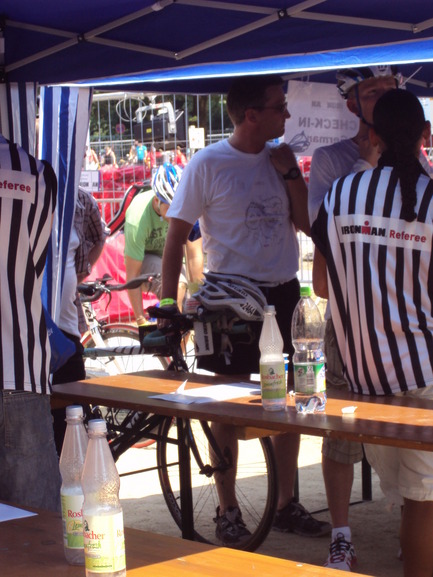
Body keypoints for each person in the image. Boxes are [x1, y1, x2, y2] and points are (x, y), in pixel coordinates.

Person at [160, 75, 331, 545]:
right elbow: (175, 237)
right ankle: (228, 508)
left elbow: (305, 224)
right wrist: (167, 305)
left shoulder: (281, 159)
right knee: (227, 408)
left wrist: (291, 174)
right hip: (229, 301)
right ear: (252, 115)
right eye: (279, 107)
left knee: (293, 399)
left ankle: (285, 503)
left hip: (283, 293)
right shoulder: (208, 163)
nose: (288, 115)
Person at [311, 88, 433, 577]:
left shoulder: (339, 195)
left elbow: (322, 285)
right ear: (425, 135)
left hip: (368, 382)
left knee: (412, 499)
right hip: (423, 377)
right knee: (423, 505)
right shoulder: (430, 199)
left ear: (373, 136)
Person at [308, 65, 402, 571]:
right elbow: (323, 241)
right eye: (372, 90)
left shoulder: (415, 160)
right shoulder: (332, 161)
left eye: (390, 88)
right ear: (352, 104)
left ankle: (413, 523)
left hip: (405, 321)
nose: (383, 95)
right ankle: (341, 535)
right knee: (341, 430)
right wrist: (367, 163)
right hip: (348, 319)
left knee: (411, 427)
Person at [0, 133, 60, 511]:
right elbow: (34, 269)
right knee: (36, 526)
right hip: (22, 365)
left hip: (24, 370)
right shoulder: (36, 174)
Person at [51, 187, 108, 455]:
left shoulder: (79, 197)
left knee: (69, 431)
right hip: (25, 337)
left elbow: (99, 237)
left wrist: (79, 274)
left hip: (65, 334)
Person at [124, 163, 203, 335]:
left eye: (179, 207)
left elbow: (194, 256)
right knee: (179, 286)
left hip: (174, 255)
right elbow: (132, 274)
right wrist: (140, 320)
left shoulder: (187, 207)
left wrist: (197, 297)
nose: (176, 213)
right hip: (146, 258)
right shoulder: (137, 218)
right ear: (156, 201)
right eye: (170, 208)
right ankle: (171, 336)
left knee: (190, 307)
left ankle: (179, 342)